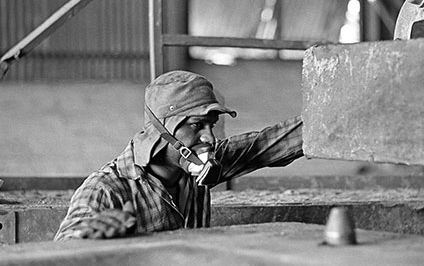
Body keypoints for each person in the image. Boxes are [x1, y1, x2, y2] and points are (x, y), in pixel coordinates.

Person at [54, 70, 303, 240]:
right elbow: (62, 252)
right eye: (196, 125)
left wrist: (330, 123)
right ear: (163, 130)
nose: (210, 138)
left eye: (211, 125)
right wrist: (88, 240)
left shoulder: (199, 168)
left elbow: (268, 144)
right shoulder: (104, 190)